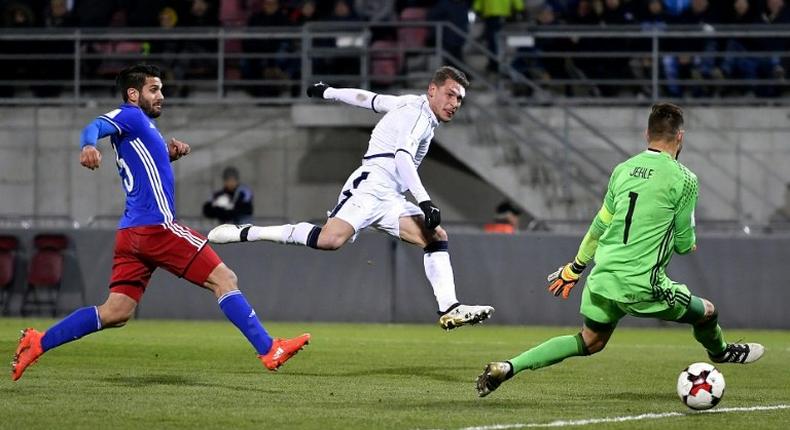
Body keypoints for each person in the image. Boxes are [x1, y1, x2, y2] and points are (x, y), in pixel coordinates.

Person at [11, 64, 310, 382]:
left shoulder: (142, 128)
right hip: (156, 227)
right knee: (224, 278)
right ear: (133, 93)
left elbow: (142, 163)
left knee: (116, 312)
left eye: (161, 89)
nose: (161, 96)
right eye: (154, 89)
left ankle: (38, 342)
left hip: (131, 233)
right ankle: (268, 348)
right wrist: (88, 145)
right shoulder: (131, 116)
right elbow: (95, 125)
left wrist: (167, 154)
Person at [476, 103, 765, 397]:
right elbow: (682, 245)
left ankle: (508, 367)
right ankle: (720, 353)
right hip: (644, 284)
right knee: (707, 312)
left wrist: (575, 267)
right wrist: (687, 238)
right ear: (680, 137)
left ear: (646, 134)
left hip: (603, 277)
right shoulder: (685, 179)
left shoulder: (623, 170)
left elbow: (599, 226)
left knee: (590, 341)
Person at [208, 66, 495, 330]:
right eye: (450, 94)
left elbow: (368, 99)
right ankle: (249, 232)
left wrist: (328, 91)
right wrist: (425, 201)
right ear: (432, 90)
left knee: (436, 237)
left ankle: (450, 307)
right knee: (329, 240)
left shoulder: (410, 103)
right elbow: (402, 156)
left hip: (390, 194)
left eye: (459, 99)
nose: (455, 103)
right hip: (370, 185)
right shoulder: (419, 116)